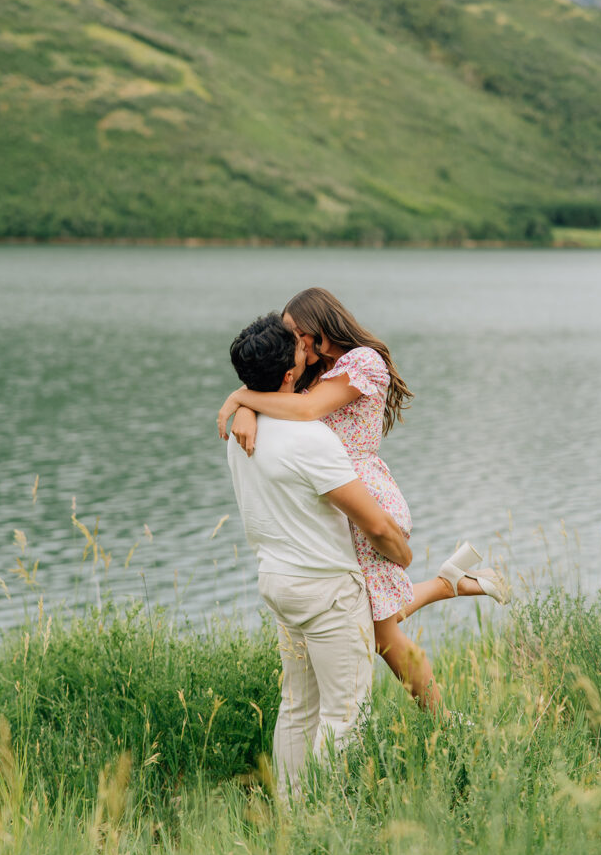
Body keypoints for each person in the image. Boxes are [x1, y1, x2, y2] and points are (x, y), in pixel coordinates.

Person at [218, 288, 509, 711]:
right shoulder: (311, 369)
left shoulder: (362, 363)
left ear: (321, 327)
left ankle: (446, 726)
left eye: (297, 336)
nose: (293, 347)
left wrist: (239, 399)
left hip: (361, 497)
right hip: (331, 495)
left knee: (380, 634)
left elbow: (302, 411)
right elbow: (278, 394)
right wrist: (248, 405)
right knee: (373, 619)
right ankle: (451, 583)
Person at [225, 312, 413, 797]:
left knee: (298, 708)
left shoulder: (243, 430)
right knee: (345, 713)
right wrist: (401, 554)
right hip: (327, 592)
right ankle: (322, 819)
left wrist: (243, 399)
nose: (308, 350)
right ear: (290, 373)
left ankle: (291, 812)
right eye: (300, 349)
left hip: (278, 585)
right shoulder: (311, 438)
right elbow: (373, 522)